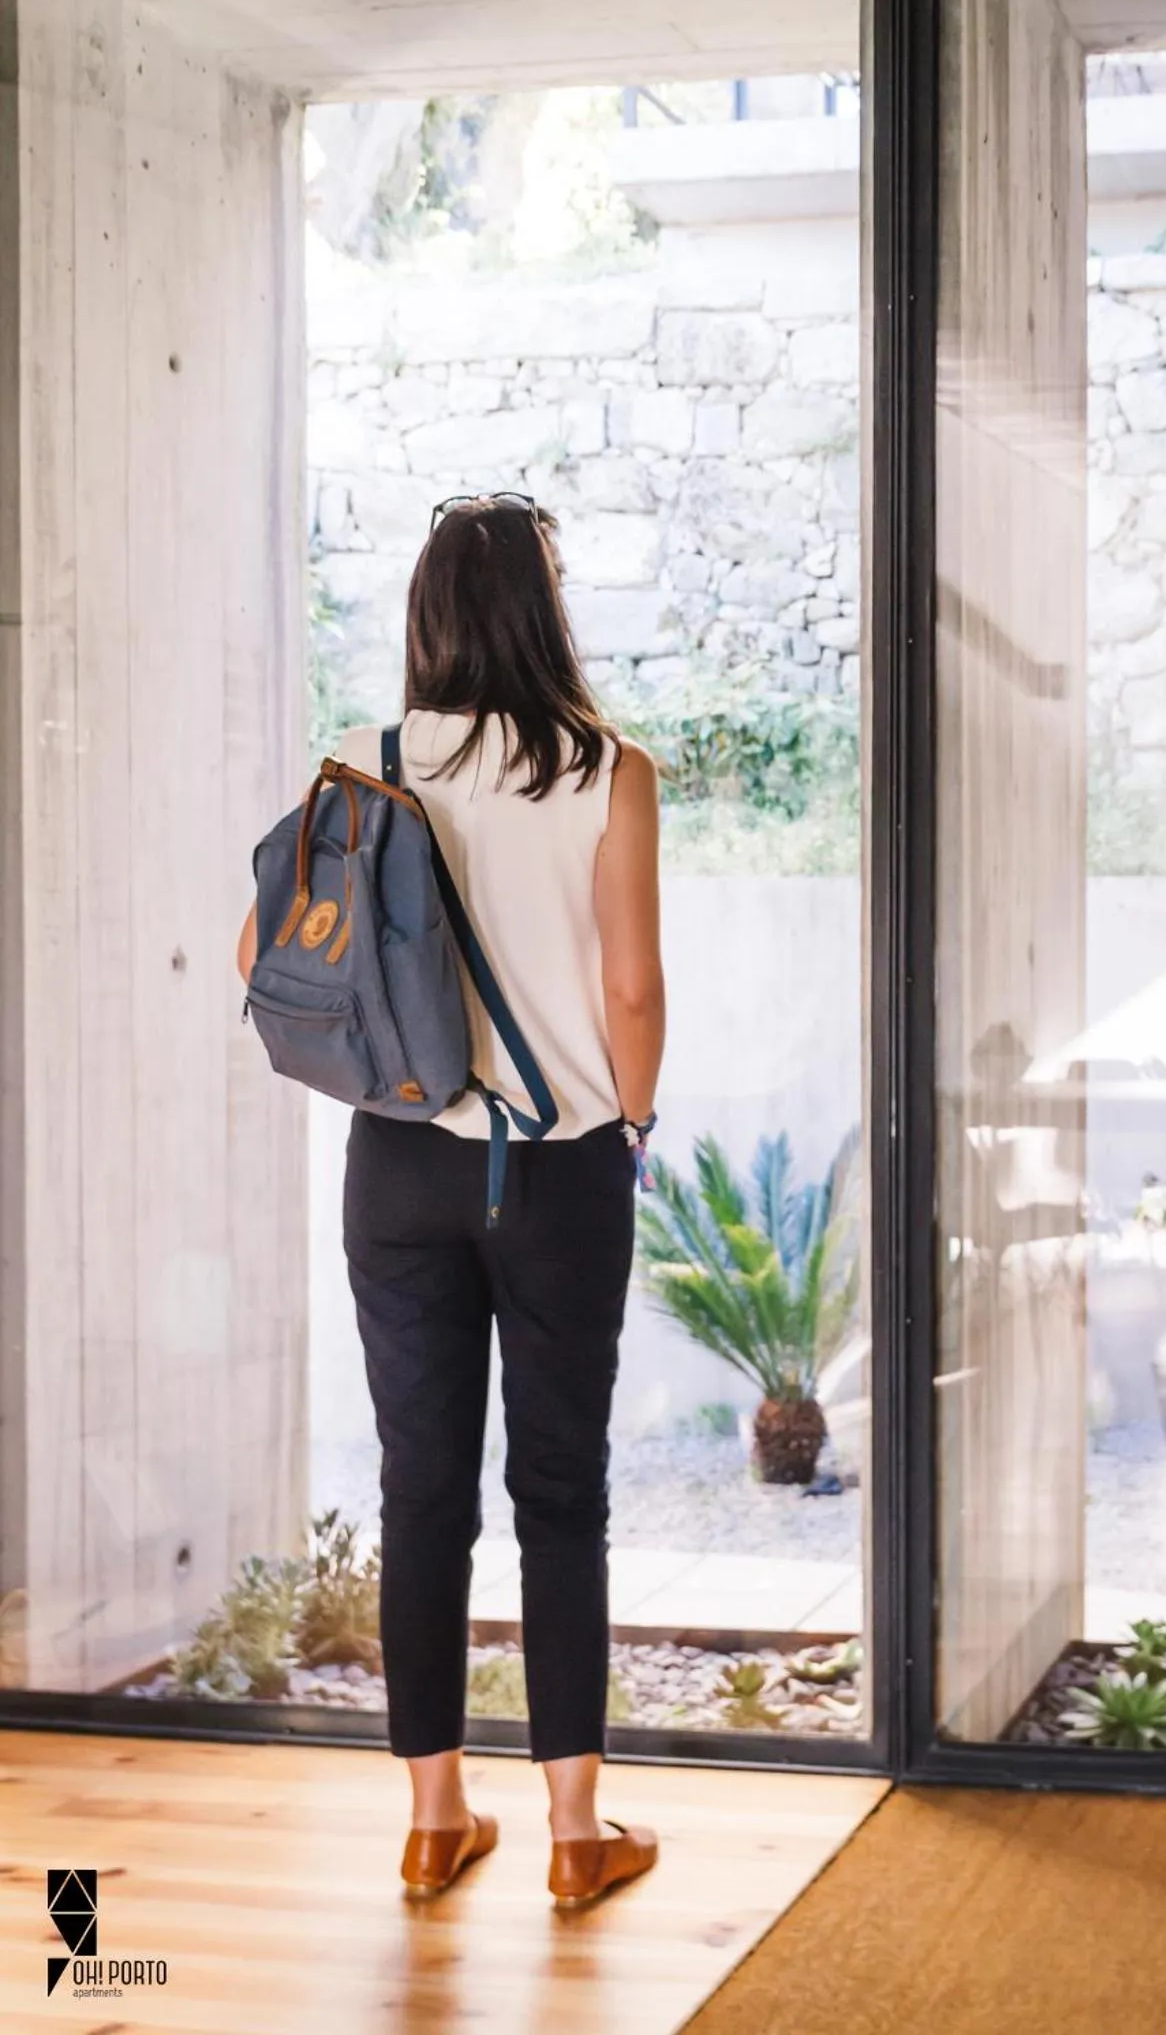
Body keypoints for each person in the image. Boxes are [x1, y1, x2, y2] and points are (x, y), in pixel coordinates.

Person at [237, 493, 666, 1909]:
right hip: (559, 1171)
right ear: (545, 610)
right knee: (563, 1493)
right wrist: (637, 1115)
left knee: (420, 1488)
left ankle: (433, 1821)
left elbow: (259, 940)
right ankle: (575, 1835)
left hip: (400, 1162)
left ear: (426, 611)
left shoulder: (360, 767)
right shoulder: (608, 773)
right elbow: (630, 989)